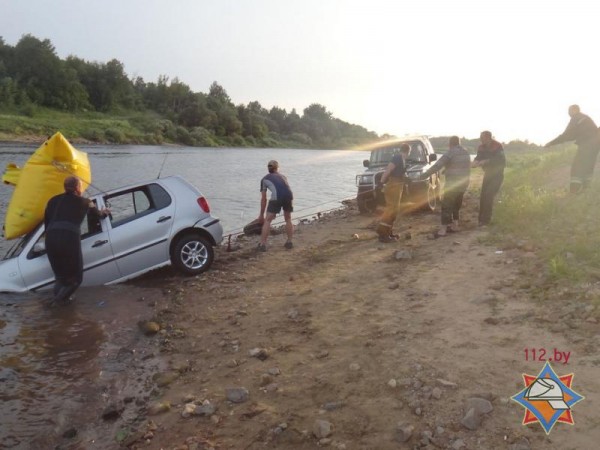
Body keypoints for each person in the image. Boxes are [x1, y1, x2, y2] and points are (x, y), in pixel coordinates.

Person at [44, 176, 110, 303]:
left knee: (60, 278)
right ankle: (55, 305)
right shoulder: (86, 202)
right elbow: (99, 215)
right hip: (69, 238)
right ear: (77, 188)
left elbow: (47, 224)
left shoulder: (51, 201)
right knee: (75, 280)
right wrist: (105, 212)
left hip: (50, 239)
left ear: (65, 187)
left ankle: (62, 306)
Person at [420, 136, 471, 237]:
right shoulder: (466, 152)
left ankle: (443, 230)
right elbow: (462, 166)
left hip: (453, 184)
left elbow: (437, 166)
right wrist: (447, 170)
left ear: (450, 143)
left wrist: (424, 175)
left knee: (446, 206)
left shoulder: (450, 153)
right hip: (464, 183)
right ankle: (455, 226)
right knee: (457, 205)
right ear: (459, 143)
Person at [544, 104, 600, 193]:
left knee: (577, 167)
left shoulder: (576, 118)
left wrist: (551, 143)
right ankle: (586, 188)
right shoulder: (586, 118)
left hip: (586, 144)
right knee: (588, 166)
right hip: (596, 145)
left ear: (574, 110)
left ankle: (574, 190)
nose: (568, 113)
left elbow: (567, 135)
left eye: (569, 111)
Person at [376, 143, 410, 243]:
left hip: (398, 186)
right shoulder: (397, 157)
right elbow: (389, 169)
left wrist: (407, 179)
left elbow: (400, 173)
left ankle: (389, 232)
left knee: (394, 210)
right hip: (393, 186)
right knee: (391, 209)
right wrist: (381, 182)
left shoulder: (402, 160)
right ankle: (382, 234)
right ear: (408, 151)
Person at [257, 160, 294, 251]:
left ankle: (262, 244)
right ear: (277, 168)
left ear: (268, 168)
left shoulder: (264, 179)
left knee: (268, 220)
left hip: (277, 197)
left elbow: (263, 199)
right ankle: (289, 242)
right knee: (288, 218)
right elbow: (285, 188)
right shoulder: (283, 176)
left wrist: (261, 215)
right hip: (289, 195)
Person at [472, 130, 505, 226]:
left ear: (488, 138)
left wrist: (487, 161)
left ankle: (486, 221)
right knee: (483, 196)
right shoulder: (481, 147)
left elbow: (501, 160)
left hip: (497, 174)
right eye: (480, 138)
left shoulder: (497, 146)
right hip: (488, 174)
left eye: (482, 138)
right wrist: (475, 162)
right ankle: (481, 220)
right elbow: (478, 157)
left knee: (489, 195)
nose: (480, 139)